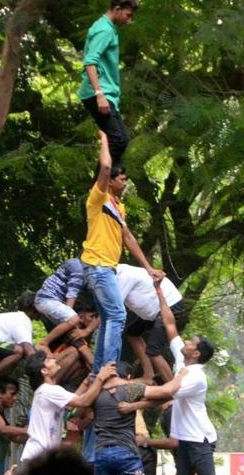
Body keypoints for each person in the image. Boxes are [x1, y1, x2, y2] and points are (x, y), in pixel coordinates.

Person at [81, 131, 164, 374]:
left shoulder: (119, 208)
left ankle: (99, 370)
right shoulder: (98, 199)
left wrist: (148, 268)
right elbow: (105, 166)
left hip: (106, 268)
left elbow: (127, 238)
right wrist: (105, 141)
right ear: (111, 181)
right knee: (117, 315)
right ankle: (109, 368)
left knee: (109, 318)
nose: (125, 183)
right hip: (97, 266)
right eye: (122, 179)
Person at [156, 285, 217, 475]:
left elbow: (164, 393)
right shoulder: (182, 357)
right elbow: (170, 325)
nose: (186, 342)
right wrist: (159, 290)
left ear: (196, 353)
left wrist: (133, 402)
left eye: (191, 342)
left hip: (200, 439)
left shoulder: (196, 377)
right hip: (184, 439)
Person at [19, 352, 117, 464]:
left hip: (38, 457)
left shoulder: (46, 390)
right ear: (44, 371)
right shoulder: (48, 390)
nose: (54, 358)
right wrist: (100, 378)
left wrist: (86, 383)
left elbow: (70, 404)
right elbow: (84, 402)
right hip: (38, 457)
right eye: (48, 359)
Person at [91, 362, 187, 475]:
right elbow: (167, 392)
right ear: (129, 377)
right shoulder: (131, 389)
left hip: (101, 453)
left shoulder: (95, 394)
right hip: (126, 452)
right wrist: (181, 375)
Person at [78, 0, 139, 165]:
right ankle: (98, 188)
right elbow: (90, 62)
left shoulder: (108, 28)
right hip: (98, 94)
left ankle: (105, 185)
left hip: (106, 94)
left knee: (122, 141)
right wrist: (99, 94)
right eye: (128, 15)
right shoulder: (104, 30)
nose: (129, 20)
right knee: (117, 140)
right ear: (117, 9)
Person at [118, 263, 188, 382]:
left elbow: (112, 308)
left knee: (153, 350)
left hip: (170, 306)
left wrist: (87, 330)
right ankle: (148, 375)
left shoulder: (125, 276)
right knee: (132, 332)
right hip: (155, 309)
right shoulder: (120, 272)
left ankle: (172, 389)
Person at [35, 259, 88, 354]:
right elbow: (72, 294)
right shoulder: (79, 268)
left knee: (73, 329)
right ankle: (44, 343)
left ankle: (53, 356)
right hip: (48, 299)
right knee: (74, 319)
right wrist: (72, 318)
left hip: (47, 300)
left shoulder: (76, 264)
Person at [42, 297, 100, 385]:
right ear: (80, 316)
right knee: (76, 352)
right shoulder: (73, 331)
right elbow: (90, 359)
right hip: (52, 368)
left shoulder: (87, 334)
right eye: (91, 316)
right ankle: (52, 385)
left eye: (96, 318)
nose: (94, 321)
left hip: (65, 370)